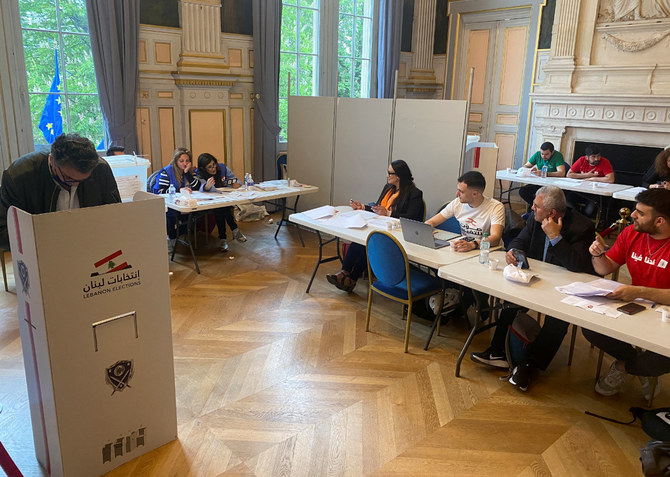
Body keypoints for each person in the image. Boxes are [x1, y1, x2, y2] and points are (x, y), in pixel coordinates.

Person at [470, 186, 596, 391]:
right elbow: (521, 239)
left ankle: (529, 365)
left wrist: (556, 238)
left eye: (536, 206)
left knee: (558, 319)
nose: (531, 208)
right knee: (511, 301)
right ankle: (498, 352)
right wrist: (513, 250)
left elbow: (577, 265)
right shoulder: (534, 219)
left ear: (551, 213)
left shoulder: (582, 227)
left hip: (566, 286)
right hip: (536, 278)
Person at [583, 188, 670, 401]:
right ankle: (639, 368)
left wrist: (638, 291)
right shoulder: (632, 233)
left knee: (662, 359)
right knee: (591, 328)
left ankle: (624, 367)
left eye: (640, 213)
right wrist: (597, 255)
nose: (632, 215)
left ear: (659, 221)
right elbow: (605, 268)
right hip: (639, 305)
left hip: (663, 311)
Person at [0, 133, 121, 250]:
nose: (75, 184)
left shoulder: (100, 169)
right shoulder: (19, 177)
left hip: (91, 247)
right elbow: (4, 231)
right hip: (40, 252)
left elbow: (115, 217)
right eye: (69, 178)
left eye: (84, 180)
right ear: (52, 161)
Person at [326, 159, 423, 292]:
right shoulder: (388, 188)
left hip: (398, 233)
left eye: (390, 173)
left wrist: (389, 213)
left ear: (399, 176)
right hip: (380, 226)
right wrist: (363, 207)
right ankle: (345, 273)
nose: (387, 175)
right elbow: (378, 208)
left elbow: (411, 218)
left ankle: (351, 278)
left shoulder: (414, 194)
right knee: (360, 239)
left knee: (370, 242)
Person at [426, 170, 505, 251]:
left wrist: (473, 244)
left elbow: (496, 238)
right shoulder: (457, 203)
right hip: (466, 248)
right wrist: (426, 231)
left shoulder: (495, 207)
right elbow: (431, 222)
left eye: (461, 191)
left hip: (489, 251)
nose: (457, 193)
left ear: (474, 194)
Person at [153, 147, 201, 253]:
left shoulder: (190, 171)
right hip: (169, 204)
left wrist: (187, 173)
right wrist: (179, 190)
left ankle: (181, 235)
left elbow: (197, 187)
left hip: (187, 204)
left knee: (199, 213)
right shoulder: (167, 172)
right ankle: (171, 238)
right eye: (181, 161)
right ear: (176, 161)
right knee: (171, 215)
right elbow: (160, 191)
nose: (185, 163)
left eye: (187, 160)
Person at [195, 152, 246, 251]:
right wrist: (207, 187)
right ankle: (234, 230)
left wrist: (236, 184)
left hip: (224, 198)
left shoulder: (222, 168)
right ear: (203, 168)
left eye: (214, 165)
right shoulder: (199, 173)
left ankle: (223, 238)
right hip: (209, 201)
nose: (213, 168)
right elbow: (201, 188)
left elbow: (237, 180)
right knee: (221, 208)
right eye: (209, 167)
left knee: (222, 207)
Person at [566, 144, 615, 217]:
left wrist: (593, 179)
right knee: (567, 201)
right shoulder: (582, 160)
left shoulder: (604, 162)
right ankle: (577, 218)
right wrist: (586, 175)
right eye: (593, 157)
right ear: (586, 157)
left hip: (595, 193)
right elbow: (569, 174)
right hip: (580, 191)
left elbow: (611, 179)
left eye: (598, 156)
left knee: (589, 210)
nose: (596, 159)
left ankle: (585, 220)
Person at [518, 142, 566, 210]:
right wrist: (530, 169)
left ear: (552, 152)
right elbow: (525, 166)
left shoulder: (558, 155)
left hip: (552, 185)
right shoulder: (537, 154)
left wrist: (544, 173)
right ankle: (536, 207)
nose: (543, 156)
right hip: (539, 182)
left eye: (546, 154)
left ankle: (535, 209)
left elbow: (561, 173)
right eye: (542, 154)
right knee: (522, 191)